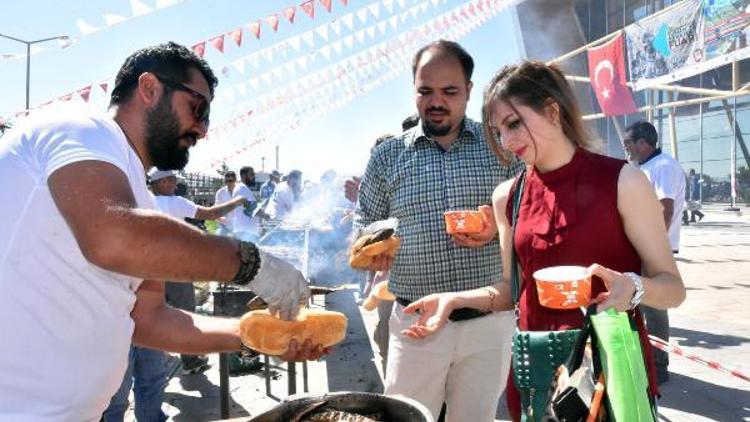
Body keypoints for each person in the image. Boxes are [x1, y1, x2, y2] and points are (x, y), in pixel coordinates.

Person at [0, 42, 323, 421]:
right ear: (150, 88)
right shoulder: (80, 127)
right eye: (198, 107)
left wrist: (262, 333)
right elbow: (113, 237)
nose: (202, 129)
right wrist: (253, 265)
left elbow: (149, 318)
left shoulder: (141, 201)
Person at [399, 61, 686, 420]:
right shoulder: (508, 196)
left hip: (607, 369)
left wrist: (632, 288)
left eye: (514, 123)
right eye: (498, 131)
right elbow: (510, 290)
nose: (506, 141)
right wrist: (453, 300)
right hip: (534, 369)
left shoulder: (622, 181)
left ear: (552, 110)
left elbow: (673, 288)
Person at [353, 40, 524, 422]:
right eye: (425, 91)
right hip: (415, 325)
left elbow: (529, 218)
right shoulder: (387, 156)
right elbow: (364, 223)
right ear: (414, 90)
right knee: (405, 417)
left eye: (449, 91)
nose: (436, 101)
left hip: (488, 324)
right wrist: (371, 248)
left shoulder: (502, 147)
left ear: (468, 91)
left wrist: (494, 229)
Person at [622, 120, 687, 384]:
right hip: (643, 245)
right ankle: (647, 358)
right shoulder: (648, 166)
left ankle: (659, 366)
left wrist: (654, 248)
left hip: (653, 247)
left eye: (629, 144)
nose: (626, 149)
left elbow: (666, 209)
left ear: (643, 143)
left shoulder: (662, 166)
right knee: (640, 301)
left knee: (654, 305)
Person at [233, 165, 266, 241]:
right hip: (245, 232)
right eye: (251, 174)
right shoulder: (242, 189)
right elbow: (251, 208)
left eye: (254, 175)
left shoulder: (244, 188)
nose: (254, 177)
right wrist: (267, 216)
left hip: (247, 231)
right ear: (243, 176)